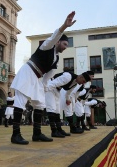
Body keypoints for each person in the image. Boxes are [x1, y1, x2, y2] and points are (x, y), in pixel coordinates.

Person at [10, 11, 76, 144]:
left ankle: (37, 133)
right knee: (20, 101)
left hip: (37, 78)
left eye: (66, 46)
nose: (65, 48)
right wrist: (64, 26)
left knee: (40, 104)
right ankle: (15, 134)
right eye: (64, 44)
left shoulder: (56, 60)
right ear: (58, 42)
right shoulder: (47, 46)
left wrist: (43, 87)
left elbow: (47, 77)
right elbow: (53, 36)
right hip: (28, 71)